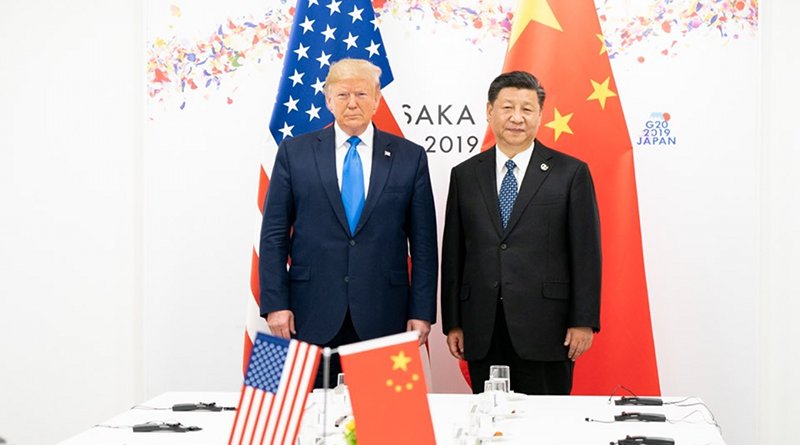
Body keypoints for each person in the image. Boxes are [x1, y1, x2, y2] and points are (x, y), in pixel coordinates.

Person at [259, 58, 438, 388]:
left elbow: (424, 245)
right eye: (342, 95)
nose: (352, 103)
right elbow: (273, 236)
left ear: (377, 99)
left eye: (361, 93)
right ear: (327, 99)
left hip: (385, 315)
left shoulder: (410, 157)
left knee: (385, 427)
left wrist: (422, 311)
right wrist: (275, 304)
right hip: (307, 314)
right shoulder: (293, 152)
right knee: (307, 426)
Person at [441, 71, 601, 395]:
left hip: (548, 327)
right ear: (489, 112)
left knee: (545, 428)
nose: (517, 118)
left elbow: (586, 253)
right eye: (507, 108)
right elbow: (454, 253)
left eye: (527, 109)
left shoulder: (571, 173)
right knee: (489, 425)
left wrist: (583, 319)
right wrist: (454, 321)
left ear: (540, 115)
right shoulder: (465, 175)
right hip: (482, 328)